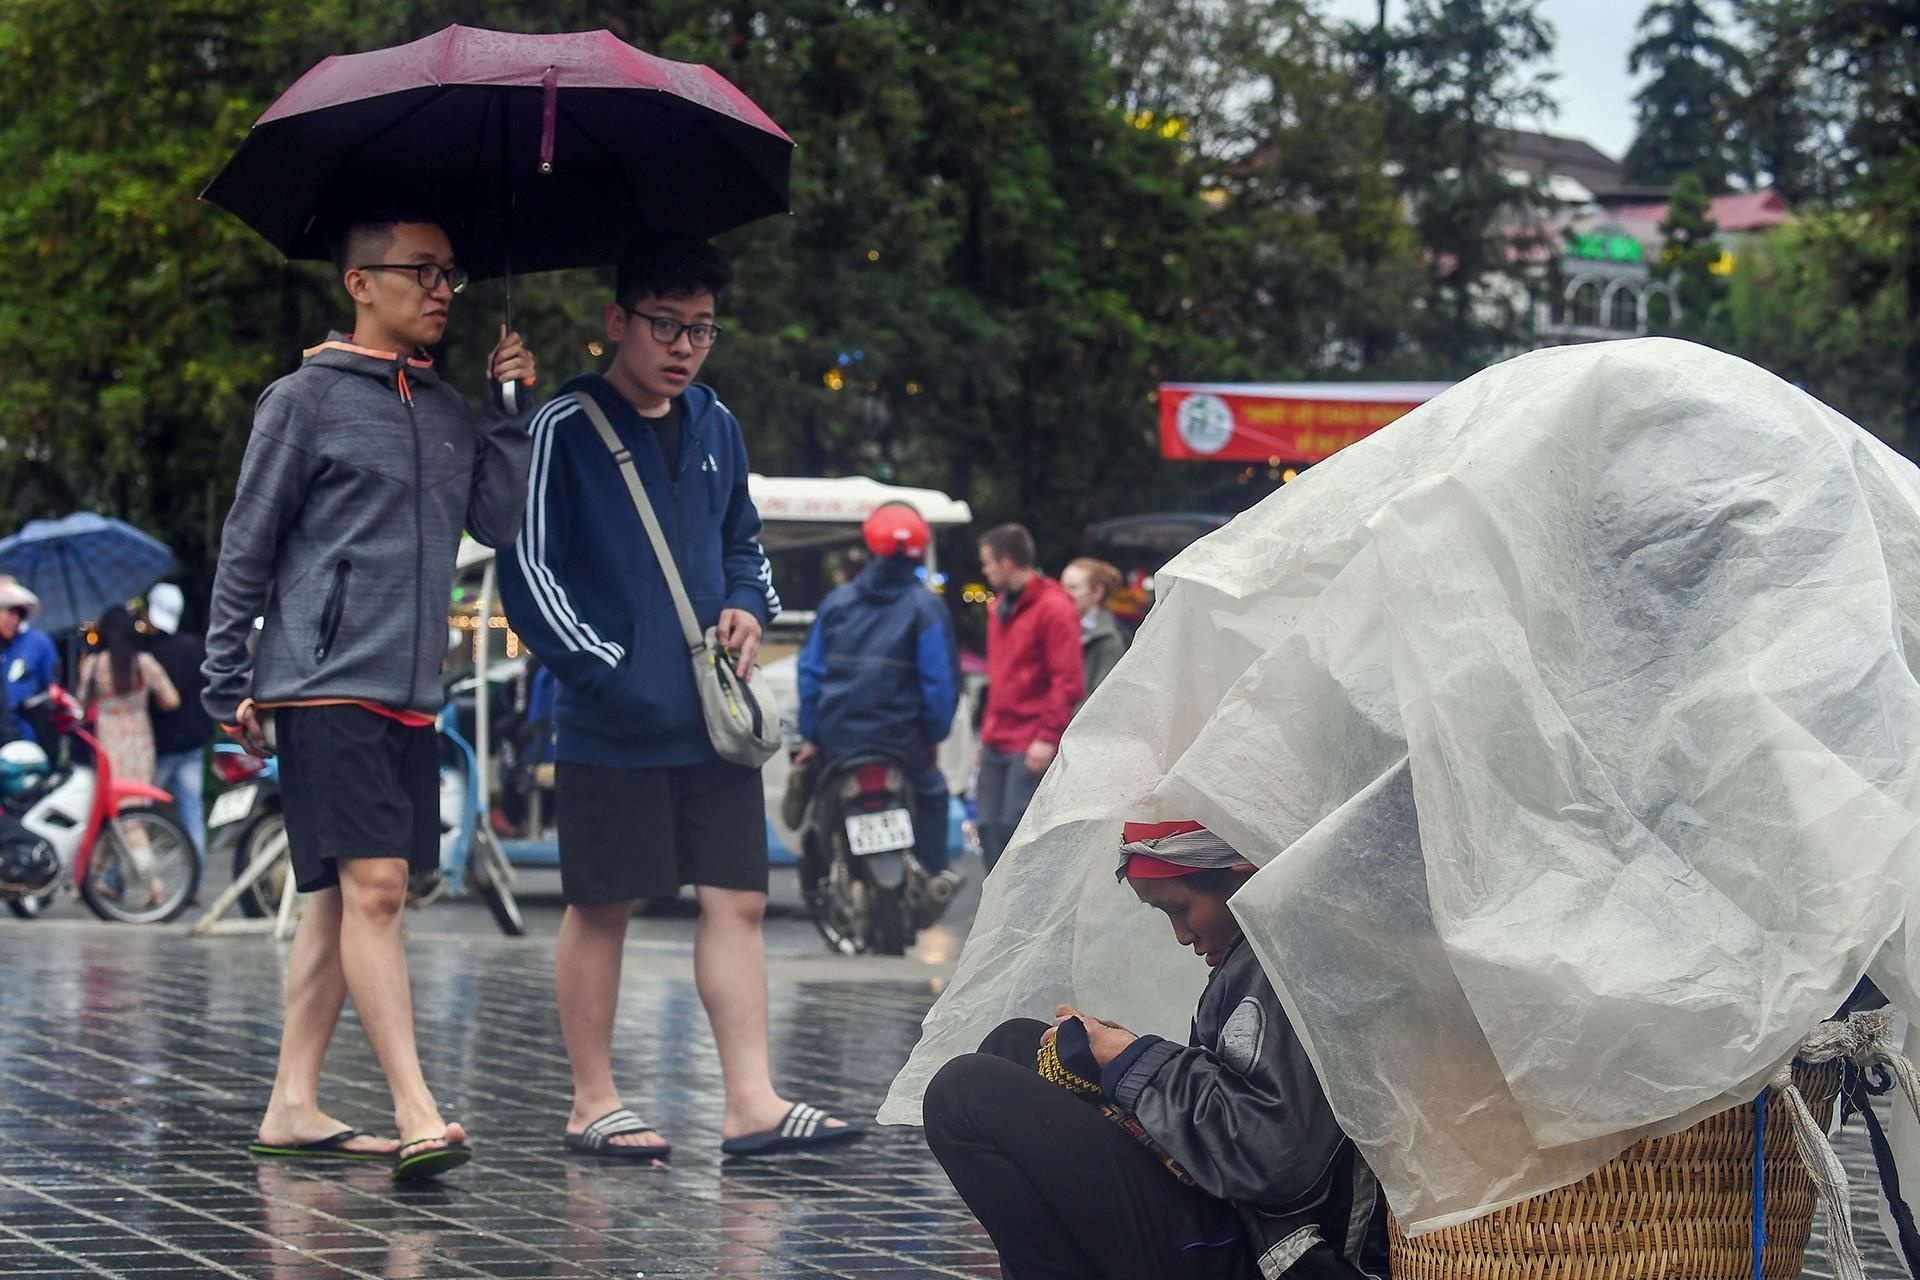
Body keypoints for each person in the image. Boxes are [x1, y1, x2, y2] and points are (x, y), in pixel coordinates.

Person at [498, 232, 859, 1162]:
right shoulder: (560, 428)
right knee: (604, 902)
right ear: (617, 321)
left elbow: (747, 542)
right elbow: (528, 572)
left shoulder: (716, 424)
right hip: (608, 721)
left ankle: (752, 1101)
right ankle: (592, 1100)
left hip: (711, 718)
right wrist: (607, 671)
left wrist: (747, 606)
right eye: (666, 324)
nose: (685, 346)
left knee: (737, 898)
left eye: (702, 328)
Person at [202, 210, 534, 1180]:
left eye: (452, 274)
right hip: (323, 682)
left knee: (334, 902)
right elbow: (246, 542)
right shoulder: (301, 400)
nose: (442, 289)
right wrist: (226, 677)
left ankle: (292, 1102)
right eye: (421, 271)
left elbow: (497, 520)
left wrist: (508, 407)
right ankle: (417, 1106)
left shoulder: (442, 407)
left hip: (410, 689)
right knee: (378, 890)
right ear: (360, 283)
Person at [923, 820, 1391, 1280]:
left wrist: (1132, 1058)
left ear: (1242, 875)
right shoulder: (1258, 952)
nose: (1182, 935)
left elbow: (1273, 1159)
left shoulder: (1291, 966)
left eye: (1181, 909)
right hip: (1238, 1216)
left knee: (963, 1093)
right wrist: (1117, 1053)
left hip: (1275, 1250)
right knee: (1016, 1045)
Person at [795, 502, 964, 887]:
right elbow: (939, 684)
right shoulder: (927, 607)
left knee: (817, 800)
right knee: (933, 795)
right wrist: (932, 738)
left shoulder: (835, 604)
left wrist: (814, 735)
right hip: (903, 745)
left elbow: (809, 675)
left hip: (840, 742)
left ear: (869, 545)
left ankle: (818, 880)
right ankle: (935, 879)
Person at [975, 524, 1084, 871]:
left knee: (1016, 829)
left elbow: (1067, 680)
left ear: (1007, 563)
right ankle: (996, 909)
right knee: (988, 826)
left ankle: (1018, 913)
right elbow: (999, 678)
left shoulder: (1053, 607)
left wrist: (1047, 736)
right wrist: (985, 732)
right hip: (997, 737)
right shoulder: (999, 610)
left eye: (988, 564)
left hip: (1029, 739)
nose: (985, 571)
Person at [79, 606, 181, 910]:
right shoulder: (144, 663)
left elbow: (81, 709)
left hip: (108, 743)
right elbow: (172, 700)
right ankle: (90, 879)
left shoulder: (95, 665)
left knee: (116, 817)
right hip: (140, 742)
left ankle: (153, 884)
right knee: (130, 817)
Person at [143, 583, 214, 877]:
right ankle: (195, 881)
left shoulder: (148, 654)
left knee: (137, 812)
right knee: (192, 813)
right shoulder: (196, 646)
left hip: (162, 746)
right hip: (193, 743)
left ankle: (115, 876)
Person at [1060, 556, 1128, 700]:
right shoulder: (1057, 628)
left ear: (1097, 592)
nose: (1063, 594)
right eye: (1062, 586)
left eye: (1072, 588)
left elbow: (1102, 701)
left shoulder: (1111, 640)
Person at [0, 579, 58, 746]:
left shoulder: (38, 642)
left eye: (20, 614)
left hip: (28, 737)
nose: (15, 619)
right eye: (10, 611)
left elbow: (52, 685)